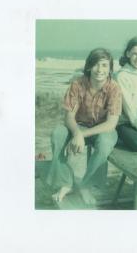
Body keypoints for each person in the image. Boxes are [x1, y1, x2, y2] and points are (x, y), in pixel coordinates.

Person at [46, 48, 122, 204]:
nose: (99, 70)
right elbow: (68, 117)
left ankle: (86, 185)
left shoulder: (114, 88)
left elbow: (111, 124)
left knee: (105, 143)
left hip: (102, 129)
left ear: (110, 69)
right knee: (57, 135)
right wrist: (77, 133)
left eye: (104, 65)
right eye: (95, 65)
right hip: (78, 125)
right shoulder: (77, 84)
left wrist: (81, 136)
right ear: (88, 66)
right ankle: (65, 183)